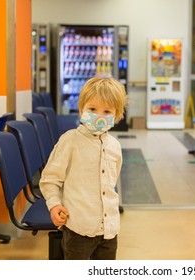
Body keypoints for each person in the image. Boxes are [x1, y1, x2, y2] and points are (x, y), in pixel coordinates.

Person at [39, 77, 127, 260]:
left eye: (107, 111)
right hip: (78, 229)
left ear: (116, 115)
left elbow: (111, 184)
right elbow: (50, 179)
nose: (99, 116)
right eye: (92, 109)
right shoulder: (69, 141)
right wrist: (54, 204)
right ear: (81, 110)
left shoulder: (115, 147)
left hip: (109, 231)